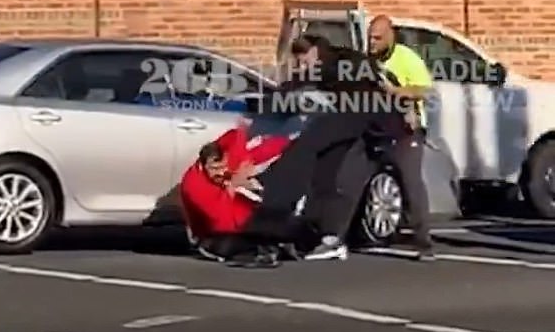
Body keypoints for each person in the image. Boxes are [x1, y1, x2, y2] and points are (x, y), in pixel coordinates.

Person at [244, 34, 410, 260]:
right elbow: (297, 83)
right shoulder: (337, 61)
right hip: (360, 117)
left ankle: (274, 206)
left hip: (362, 115)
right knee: (326, 171)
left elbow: (308, 79)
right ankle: (328, 237)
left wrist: (270, 104)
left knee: (306, 146)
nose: (302, 65)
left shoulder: (337, 62)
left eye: (304, 60)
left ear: (314, 51)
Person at [368, 14, 435, 260]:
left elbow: (425, 91)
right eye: (370, 38)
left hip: (408, 127)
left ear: (390, 36)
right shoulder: (369, 60)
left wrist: (395, 91)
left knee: (410, 181)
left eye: (377, 38)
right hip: (379, 126)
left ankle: (423, 242)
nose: (372, 43)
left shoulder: (406, 58)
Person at [179, 123, 293, 267]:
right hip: (212, 234)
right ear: (202, 165)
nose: (221, 173)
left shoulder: (231, 157)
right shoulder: (194, 185)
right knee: (227, 244)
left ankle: (273, 244)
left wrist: (246, 165)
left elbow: (237, 136)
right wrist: (232, 187)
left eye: (223, 167)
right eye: (214, 169)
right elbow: (223, 223)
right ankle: (260, 249)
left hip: (241, 217)